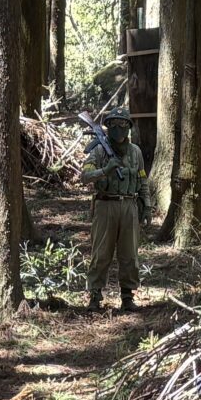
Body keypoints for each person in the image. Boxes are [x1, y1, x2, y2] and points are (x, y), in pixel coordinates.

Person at [85, 107, 146, 313]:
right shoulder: (99, 150)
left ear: (129, 127)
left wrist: (146, 205)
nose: (118, 129)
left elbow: (142, 180)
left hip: (129, 205)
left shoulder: (135, 152)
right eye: (113, 125)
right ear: (107, 127)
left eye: (123, 125)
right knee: (101, 253)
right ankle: (95, 296)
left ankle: (127, 297)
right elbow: (84, 176)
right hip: (105, 205)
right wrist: (105, 170)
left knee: (129, 254)